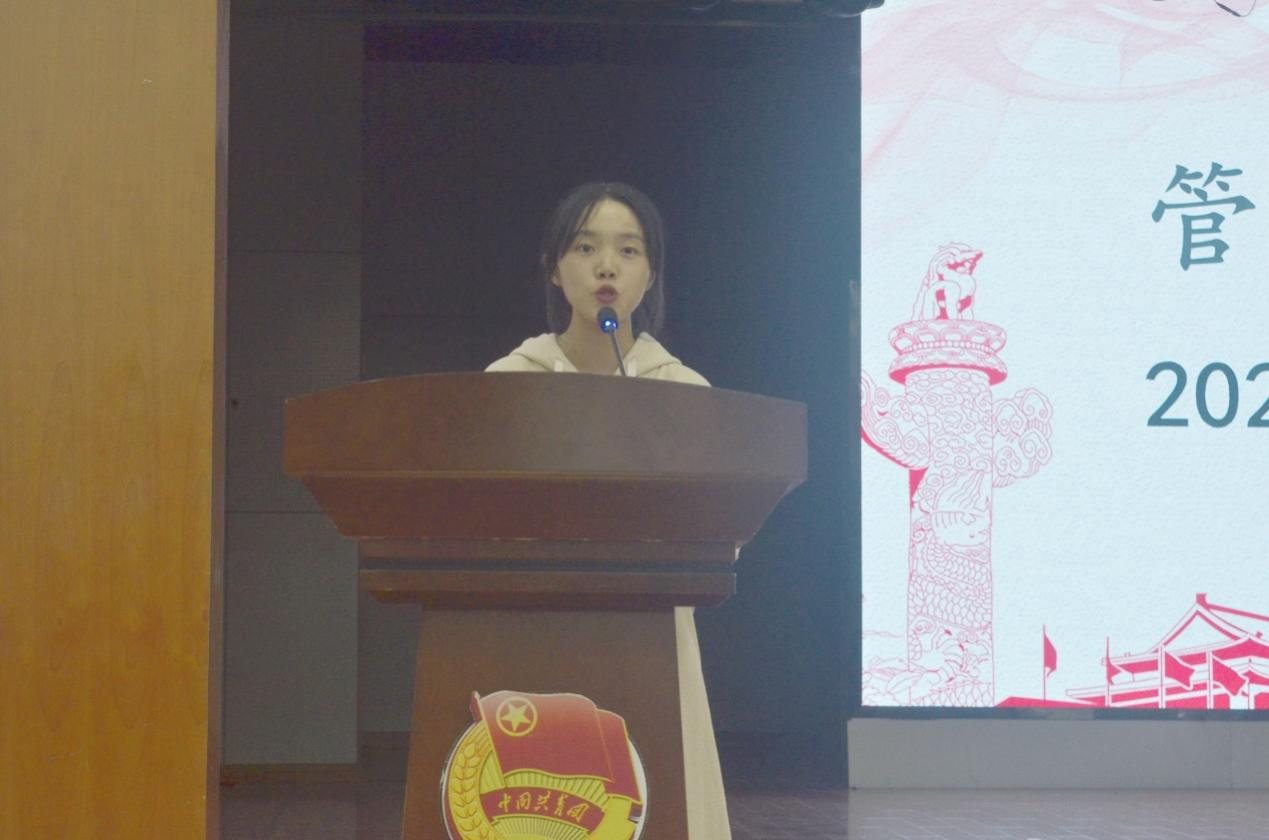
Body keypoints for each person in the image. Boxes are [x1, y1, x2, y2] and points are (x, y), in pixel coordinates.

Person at [486, 181, 729, 837]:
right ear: (553, 268)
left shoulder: (684, 395)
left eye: (628, 251)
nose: (606, 268)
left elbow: (722, 526)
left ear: (649, 274)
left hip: (650, 627)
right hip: (532, 621)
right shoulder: (506, 387)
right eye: (586, 247)